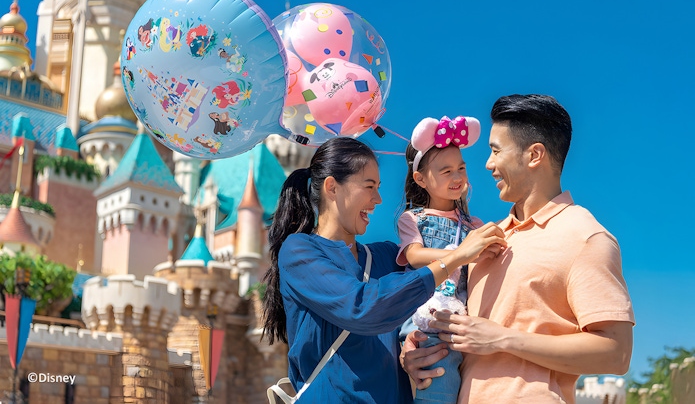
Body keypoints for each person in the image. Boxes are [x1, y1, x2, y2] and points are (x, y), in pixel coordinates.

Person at [401, 94, 635, 404]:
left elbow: (616, 354)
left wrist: (501, 339)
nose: (488, 164)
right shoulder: (484, 239)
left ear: (534, 155)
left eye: (496, 150)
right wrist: (413, 353)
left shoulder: (584, 235)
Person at [261, 137, 506, 403]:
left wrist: (411, 346)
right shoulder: (299, 251)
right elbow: (362, 307)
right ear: (333, 187)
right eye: (369, 187)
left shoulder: (389, 256)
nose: (378, 199)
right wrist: (455, 257)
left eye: (378, 187)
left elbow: (408, 317)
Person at [397, 115, 488, 403]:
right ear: (420, 179)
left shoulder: (474, 224)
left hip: (463, 321)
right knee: (439, 388)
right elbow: (413, 255)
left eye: (461, 168)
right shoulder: (414, 219)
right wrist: (460, 254)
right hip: (429, 320)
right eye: (446, 170)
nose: (458, 177)